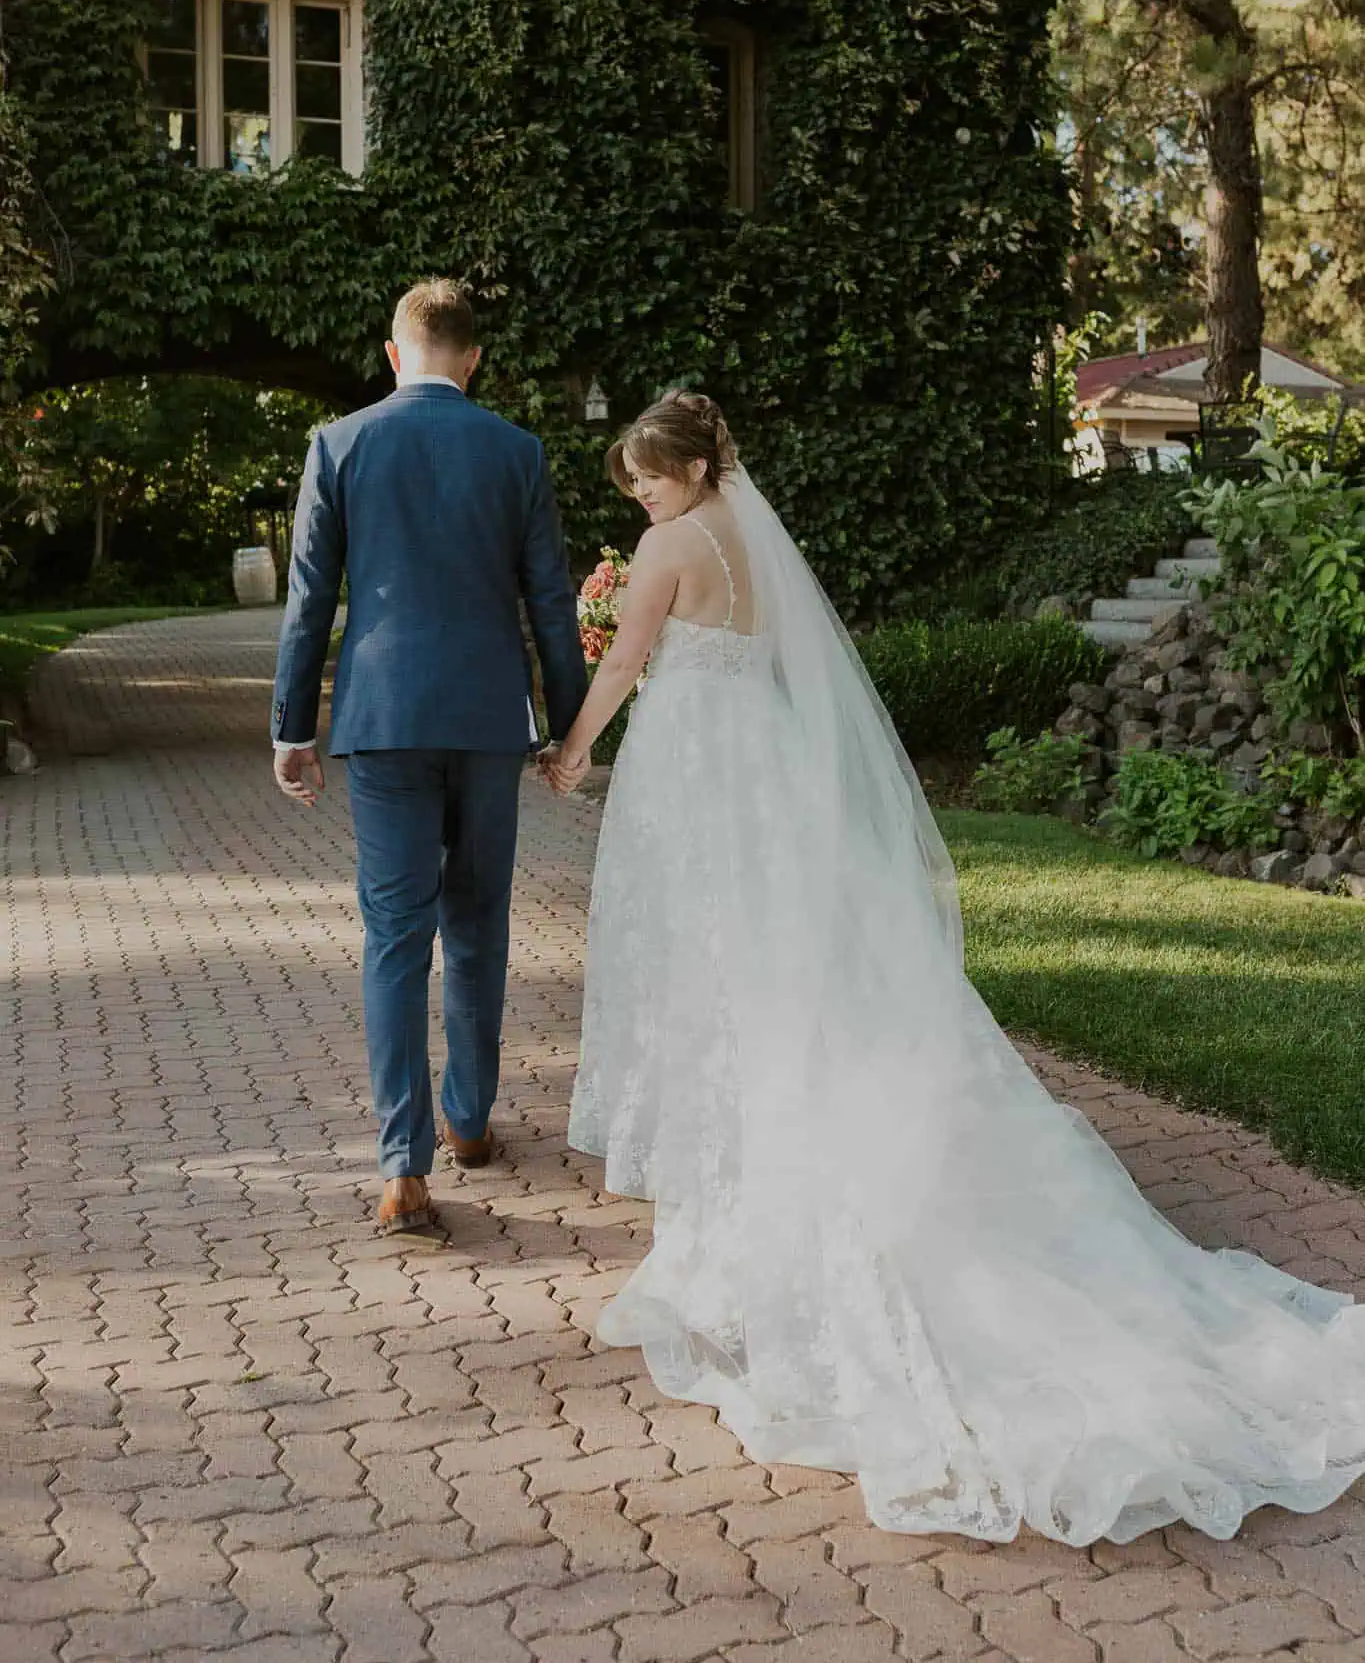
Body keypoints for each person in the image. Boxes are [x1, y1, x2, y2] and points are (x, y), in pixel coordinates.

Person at [543, 390, 1365, 1547]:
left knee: (726, 978)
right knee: (797, 973)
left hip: (698, 772)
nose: (640, 497)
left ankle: (754, 1209)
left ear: (684, 468)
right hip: (764, 767)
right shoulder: (755, 539)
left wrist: (576, 746)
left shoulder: (671, 544)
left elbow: (631, 656)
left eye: (646, 478)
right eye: (634, 486)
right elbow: (772, 657)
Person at [272, 278, 587, 1234]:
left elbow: (309, 602)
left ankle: (402, 1164)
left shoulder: (340, 443)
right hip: (489, 718)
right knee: (480, 917)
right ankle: (470, 1119)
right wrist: (570, 726)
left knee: (394, 933)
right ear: (474, 359)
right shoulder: (516, 451)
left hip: (383, 719)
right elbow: (549, 601)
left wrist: (293, 728)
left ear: (393, 351)